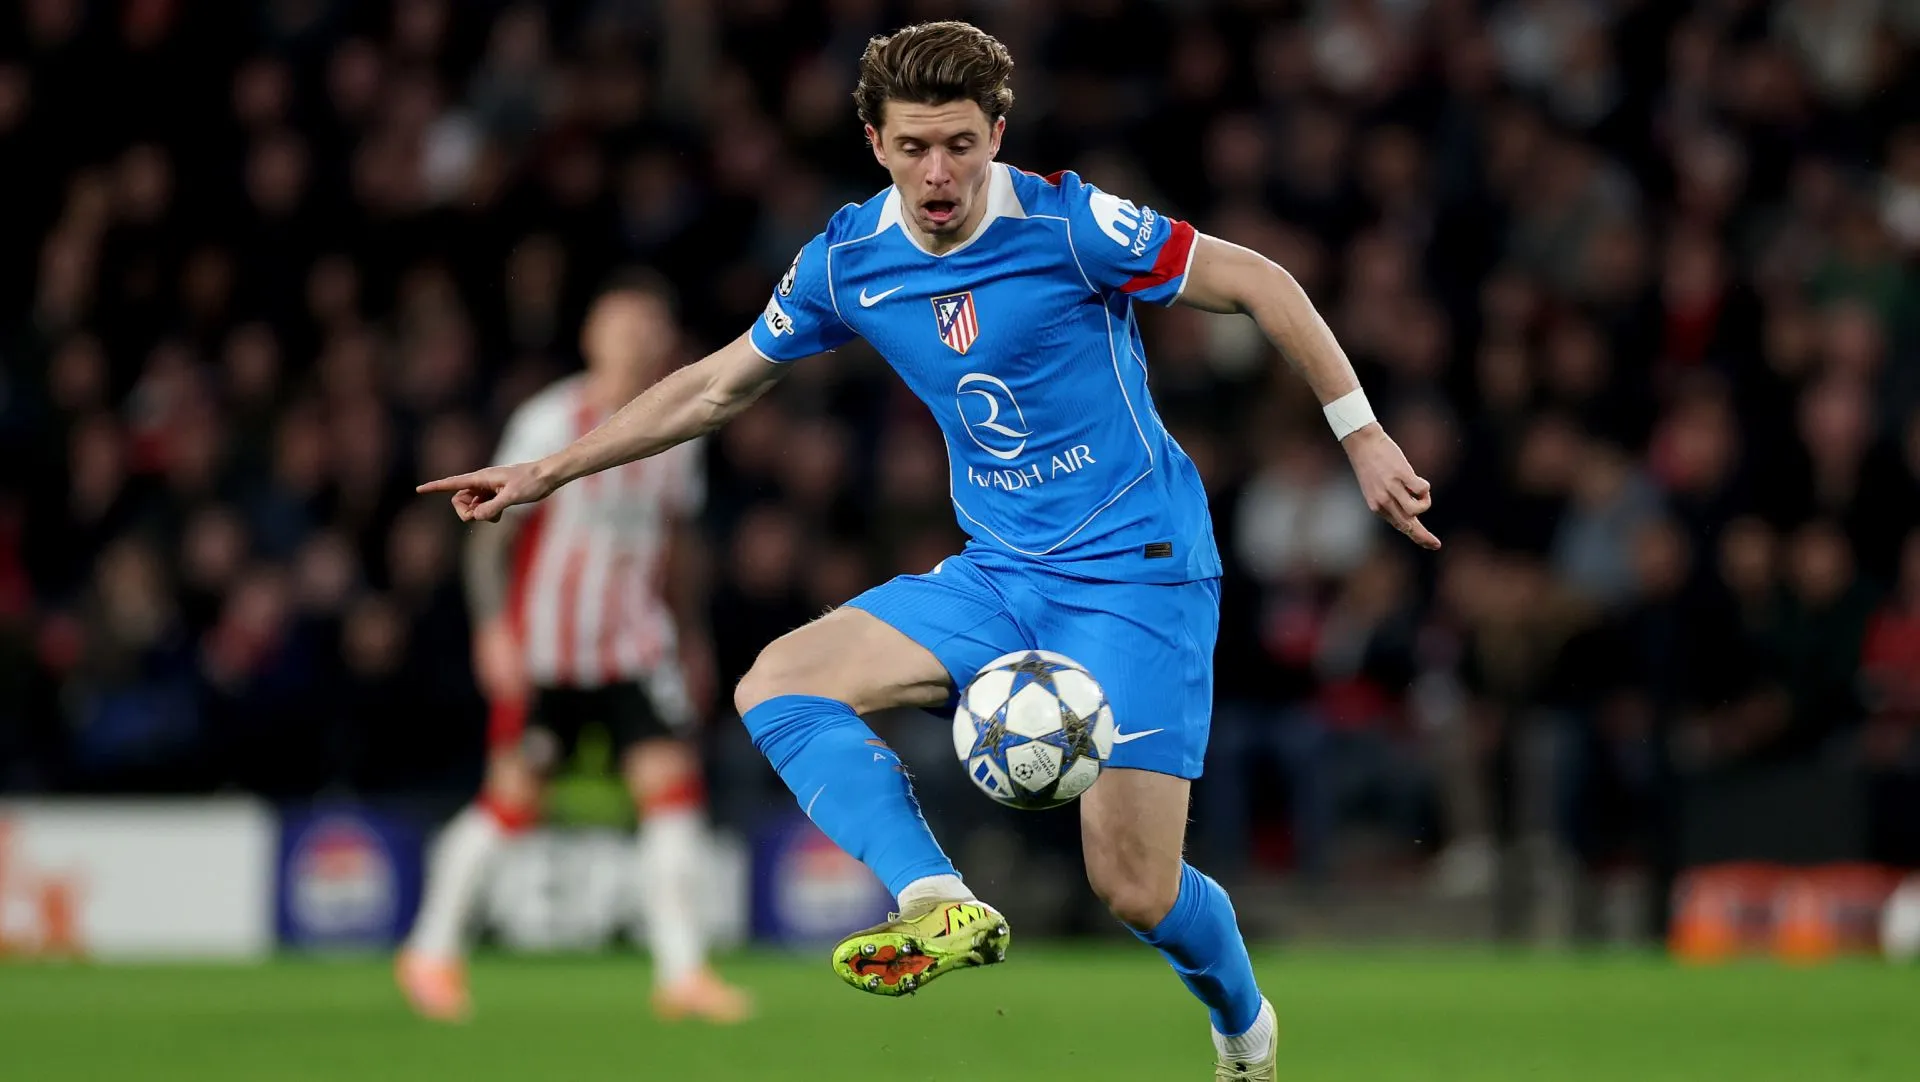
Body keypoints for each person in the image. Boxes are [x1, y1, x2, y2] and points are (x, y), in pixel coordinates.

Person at [419, 22, 1436, 1079]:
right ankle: (937, 898)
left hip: (1139, 576)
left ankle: (1245, 1029)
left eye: (959, 143)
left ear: (997, 134)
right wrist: (549, 470)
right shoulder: (849, 260)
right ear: (875, 142)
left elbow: (1262, 280)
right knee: (779, 682)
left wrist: (1359, 432)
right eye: (914, 147)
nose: (938, 172)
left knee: (1136, 887)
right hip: (1001, 573)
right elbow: (718, 383)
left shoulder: (1073, 223)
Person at [397, 275, 751, 1025]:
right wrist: (493, 627)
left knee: (673, 794)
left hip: (634, 648)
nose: (637, 339)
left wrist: (692, 639)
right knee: (512, 801)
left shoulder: (675, 431)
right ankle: (430, 952)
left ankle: (682, 973)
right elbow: (492, 534)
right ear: (592, 337)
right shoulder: (548, 419)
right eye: (622, 325)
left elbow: (680, 547)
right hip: (551, 651)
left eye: (649, 326)